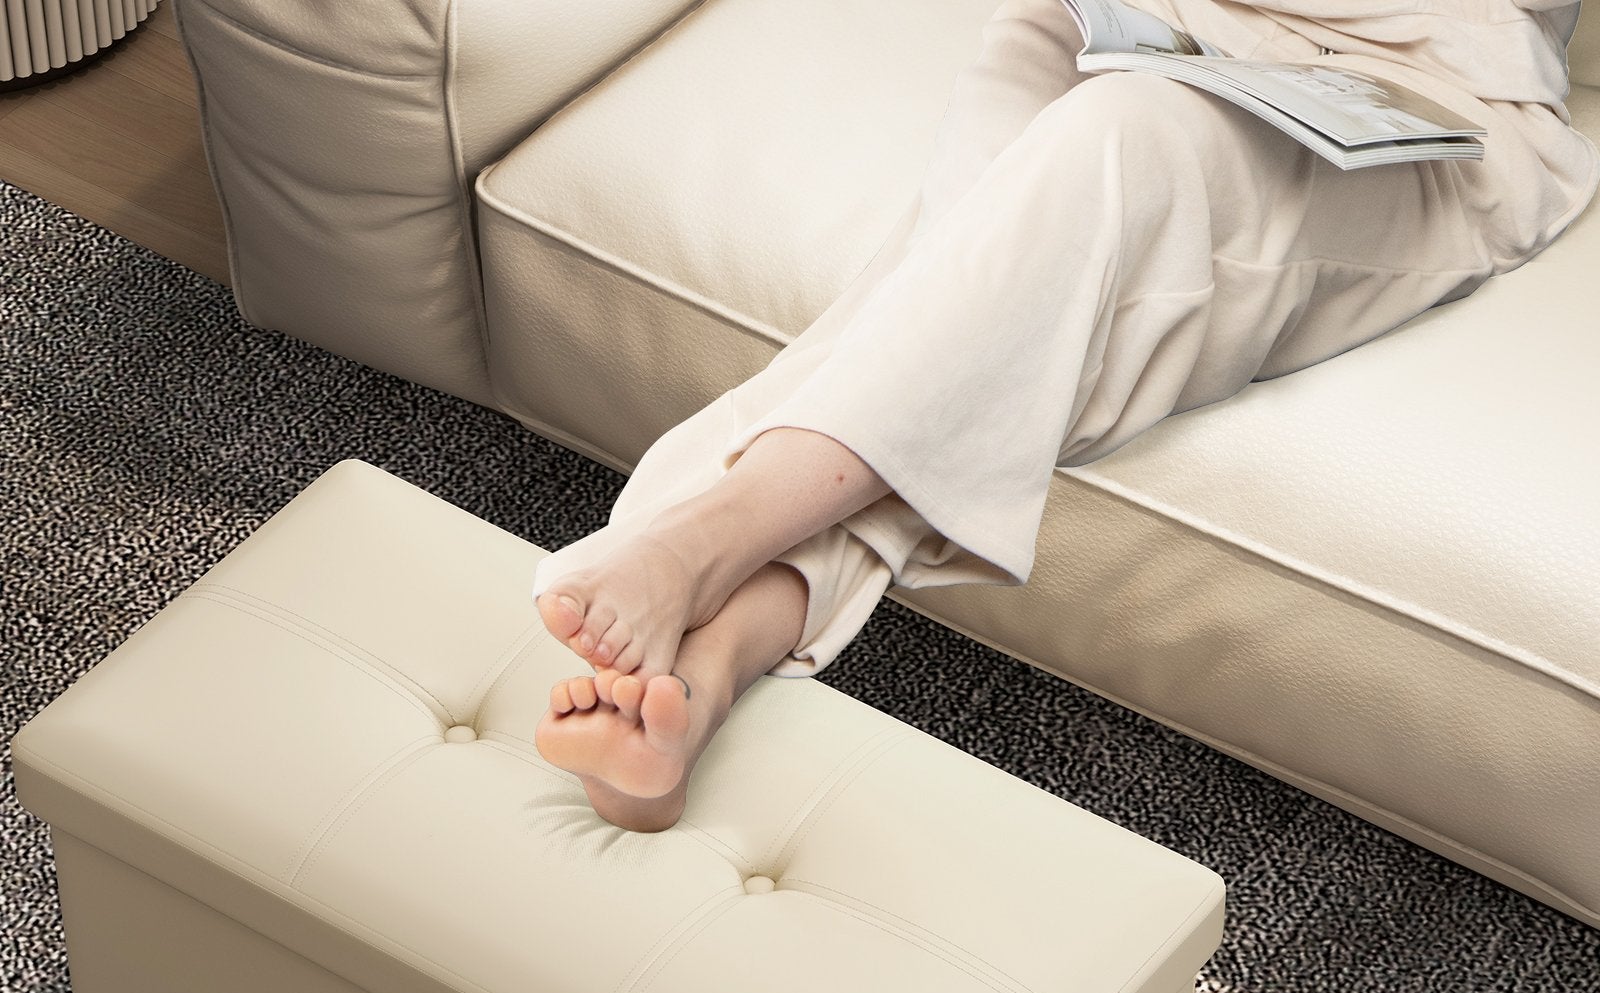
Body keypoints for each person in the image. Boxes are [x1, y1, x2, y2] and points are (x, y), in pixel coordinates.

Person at [528, 0, 1597, 833]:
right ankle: (707, 669)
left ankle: (704, 536)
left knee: (1109, 147)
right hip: (1159, 27)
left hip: (1432, 105)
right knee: (964, 288)